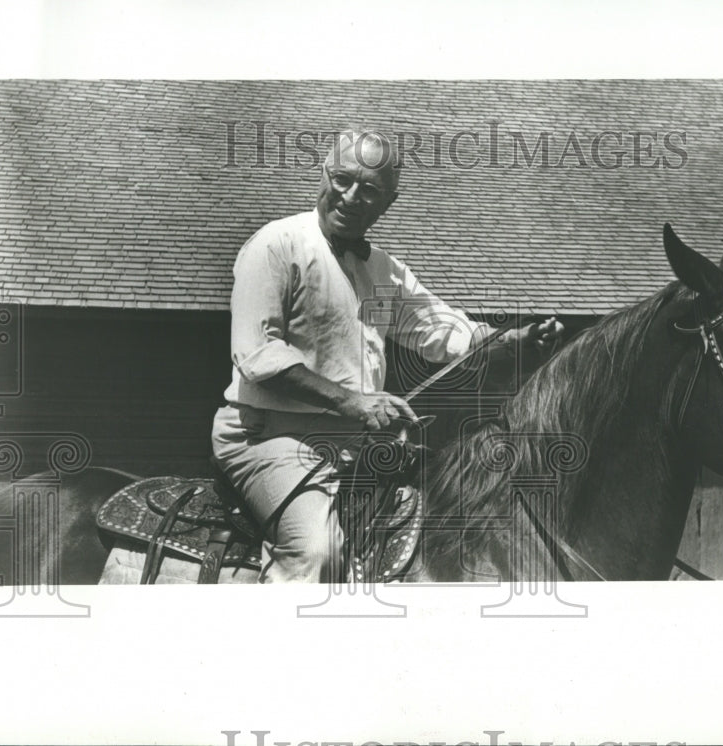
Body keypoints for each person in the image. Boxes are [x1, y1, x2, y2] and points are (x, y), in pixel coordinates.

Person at [211, 129, 563, 582]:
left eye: (370, 189)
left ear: (388, 202)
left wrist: (506, 341)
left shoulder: (382, 271)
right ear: (324, 173)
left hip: (355, 446)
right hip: (268, 440)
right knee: (318, 553)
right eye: (342, 178)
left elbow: (436, 327)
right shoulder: (276, 246)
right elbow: (258, 355)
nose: (352, 196)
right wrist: (354, 401)